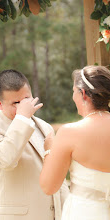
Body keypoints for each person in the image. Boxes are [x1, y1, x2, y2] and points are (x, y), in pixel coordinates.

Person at [0, 69, 69, 220]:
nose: (22, 107)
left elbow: (56, 174)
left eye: (26, 99)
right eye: (15, 103)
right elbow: (5, 160)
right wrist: (22, 118)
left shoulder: (45, 127)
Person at [40, 65, 110, 220]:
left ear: (83, 93)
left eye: (73, 91)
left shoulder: (70, 132)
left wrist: (48, 151)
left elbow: (48, 186)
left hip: (84, 212)